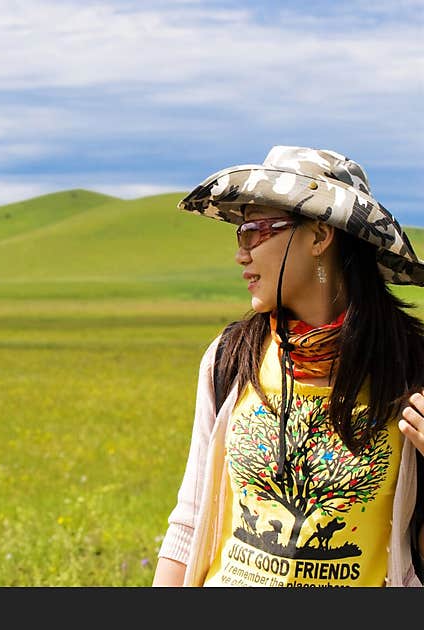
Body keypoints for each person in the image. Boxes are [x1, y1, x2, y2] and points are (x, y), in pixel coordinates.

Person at [152, 145, 424, 587]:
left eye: (255, 232)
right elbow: (190, 519)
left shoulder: (411, 369)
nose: (242, 253)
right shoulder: (230, 357)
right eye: (241, 234)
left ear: (319, 236)